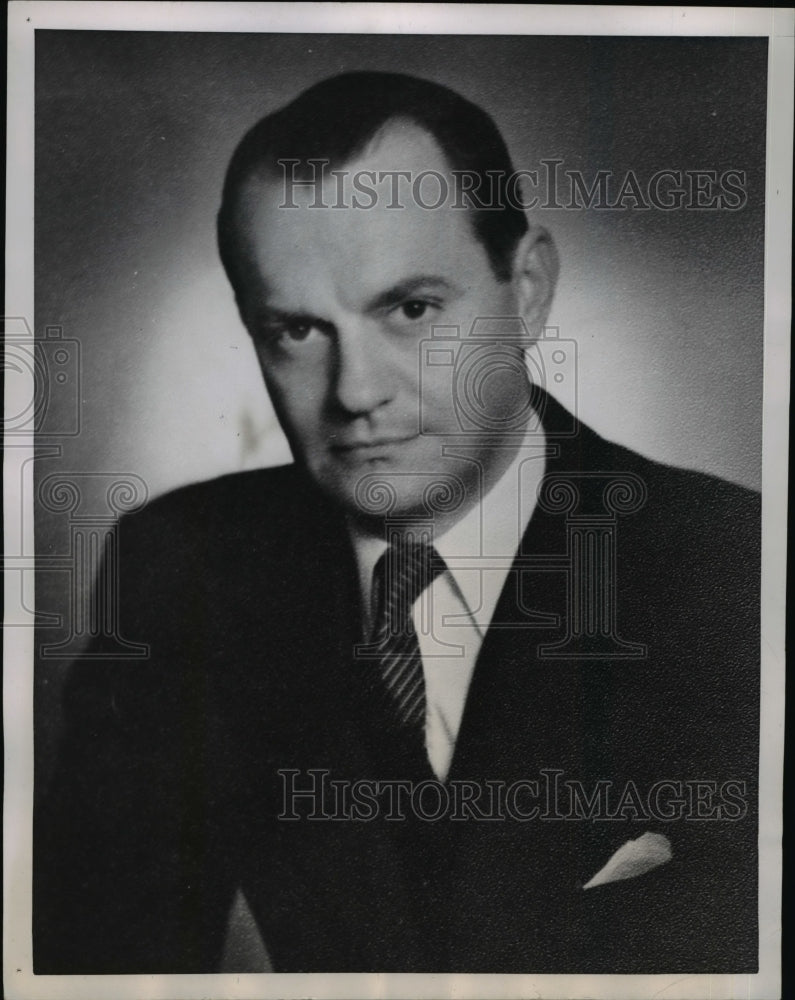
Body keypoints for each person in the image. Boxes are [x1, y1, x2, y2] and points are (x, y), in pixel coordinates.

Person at [34, 71, 760, 974]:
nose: (354, 392)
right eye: (296, 332)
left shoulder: (738, 568)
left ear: (527, 289)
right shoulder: (185, 566)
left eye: (411, 309)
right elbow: (92, 965)